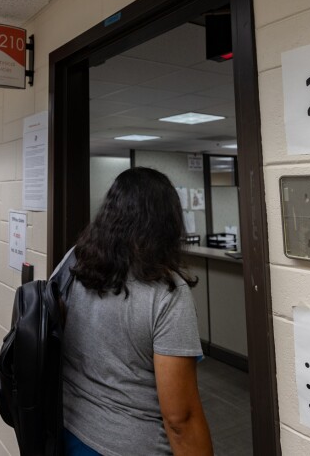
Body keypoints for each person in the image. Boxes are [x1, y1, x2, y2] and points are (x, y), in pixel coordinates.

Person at [59, 167, 213, 455]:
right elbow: (180, 419)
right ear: (167, 223)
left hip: (68, 428)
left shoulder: (75, 262)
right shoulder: (167, 293)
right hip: (131, 445)